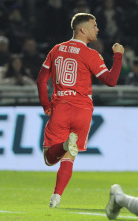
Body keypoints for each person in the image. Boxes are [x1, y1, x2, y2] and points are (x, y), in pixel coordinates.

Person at [36, 12, 124, 208]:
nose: (97, 29)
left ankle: (66, 146)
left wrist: (46, 105)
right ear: (83, 30)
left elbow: (41, 80)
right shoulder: (91, 54)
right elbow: (111, 80)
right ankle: (56, 197)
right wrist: (118, 55)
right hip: (83, 110)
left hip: (61, 107)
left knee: (50, 159)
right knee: (69, 158)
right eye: (94, 26)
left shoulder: (56, 50)